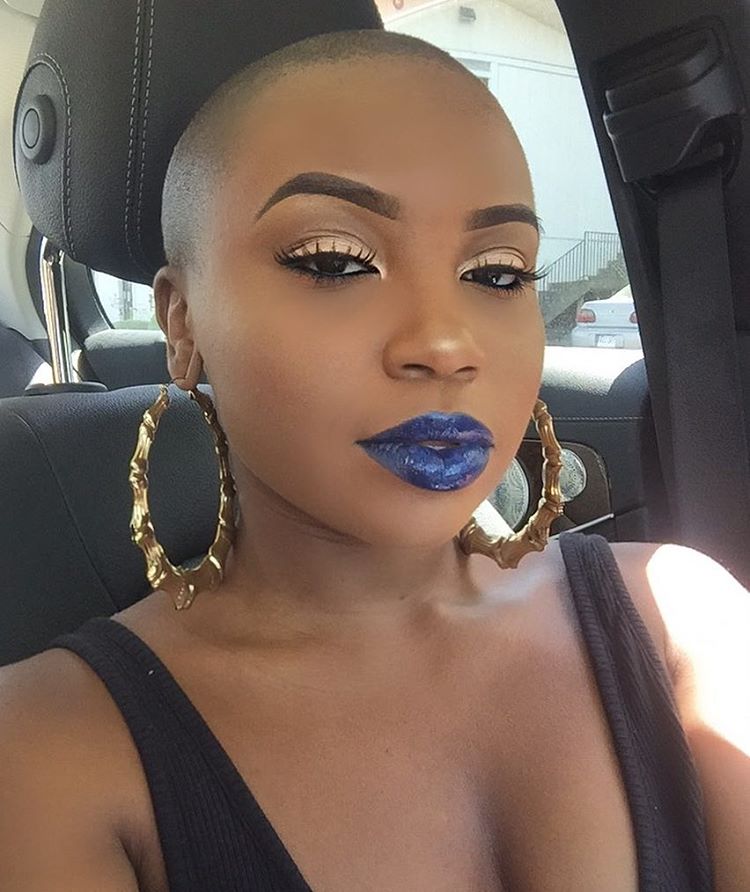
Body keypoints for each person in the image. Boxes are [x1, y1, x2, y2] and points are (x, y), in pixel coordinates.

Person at [0, 28, 748, 892]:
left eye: (497, 273)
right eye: (336, 262)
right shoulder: (47, 753)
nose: (445, 343)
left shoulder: (685, 619)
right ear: (183, 323)